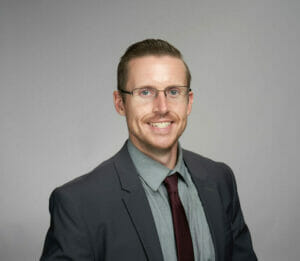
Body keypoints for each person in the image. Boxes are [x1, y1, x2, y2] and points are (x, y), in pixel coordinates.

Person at [40, 39, 257, 261]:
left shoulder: (220, 180)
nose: (162, 108)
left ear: (189, 102)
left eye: (173, 92)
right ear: (120, 103)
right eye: (145, 92)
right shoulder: (78, 203)